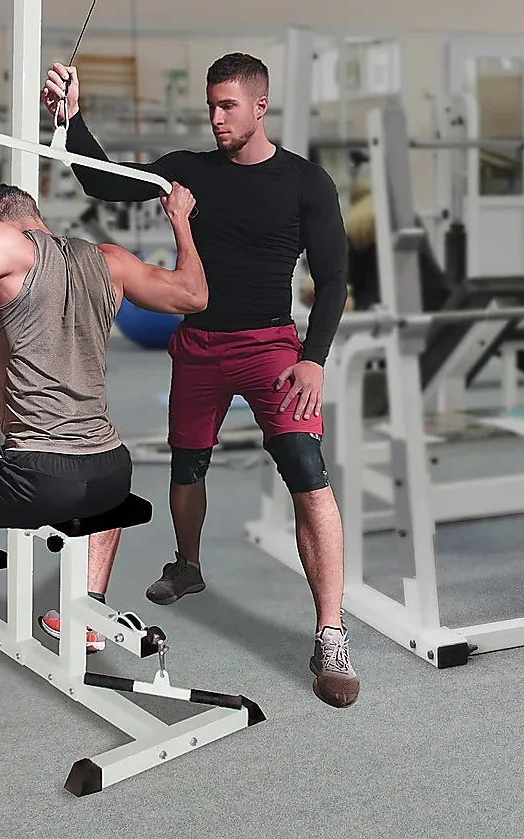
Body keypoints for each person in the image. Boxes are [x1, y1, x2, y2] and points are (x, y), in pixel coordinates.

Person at [42, 53, 360, 708]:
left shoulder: (306, 182)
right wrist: (72, 118)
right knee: (187, 467)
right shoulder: (187, 170)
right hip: (199, 346)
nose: (215, 118)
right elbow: (106, 185)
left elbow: (332, 280)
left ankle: (331, 633)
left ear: (259, 105)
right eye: (211, 107)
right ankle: (188, 565)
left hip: (273, 346)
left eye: (228, 107)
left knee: (308, 470)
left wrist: (315, 357)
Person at [0, 108, 207, 688]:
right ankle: (85, 612)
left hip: (37, 473)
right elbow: (193, 295)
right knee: (102, 483)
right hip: (110, 468)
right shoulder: (106, 260)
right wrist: (180, 221)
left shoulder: (10, 246)